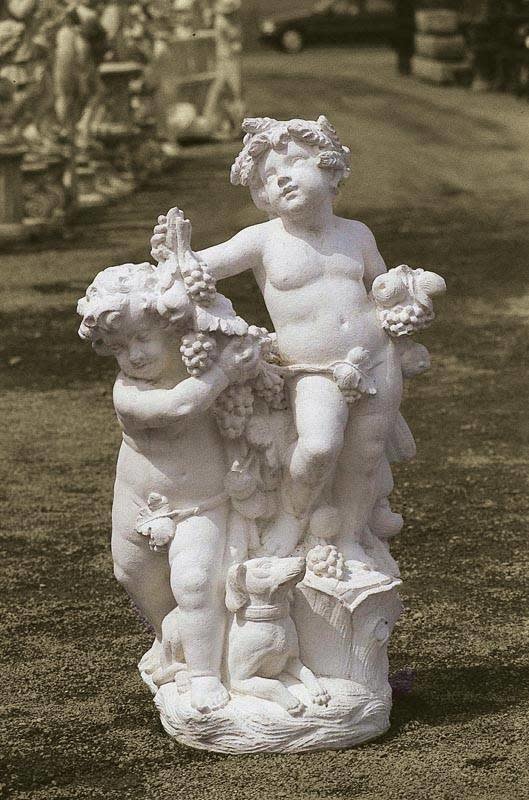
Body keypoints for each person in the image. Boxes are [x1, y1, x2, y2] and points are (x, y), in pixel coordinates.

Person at [152, 116, 403, 561]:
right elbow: (197, 268)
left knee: (364, 456)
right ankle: (293, 515)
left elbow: (383, 290)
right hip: (314, 370)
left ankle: (348, 538)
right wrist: (176, 254)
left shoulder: (357, 234)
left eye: (295, 162)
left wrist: (406, 303)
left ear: (330, 168)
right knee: (319, 447)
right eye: (269, 175)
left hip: (377, 359)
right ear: (262, 194)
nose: (282, 177)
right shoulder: (263, 240)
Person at [77, 259, 257, 713]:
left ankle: (204, 674)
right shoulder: (128, 393)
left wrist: (245, 362)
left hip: (200, 504)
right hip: (138, 504)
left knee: (194, 583)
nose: (134, 355)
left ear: (172, 330)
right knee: (130, 573)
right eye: (119, 347)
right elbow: (177, 409)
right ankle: (168, 638)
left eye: (142, 338)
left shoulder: (203, 361)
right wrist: (225, 374)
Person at [393, 0, 415, 76]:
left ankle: (403, 69)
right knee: (406, 50)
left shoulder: (399, 4)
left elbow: (396, 16)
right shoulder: (408, 4)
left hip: (402, 28)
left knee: (403, 50)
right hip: (406, 28)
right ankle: (405, 69)